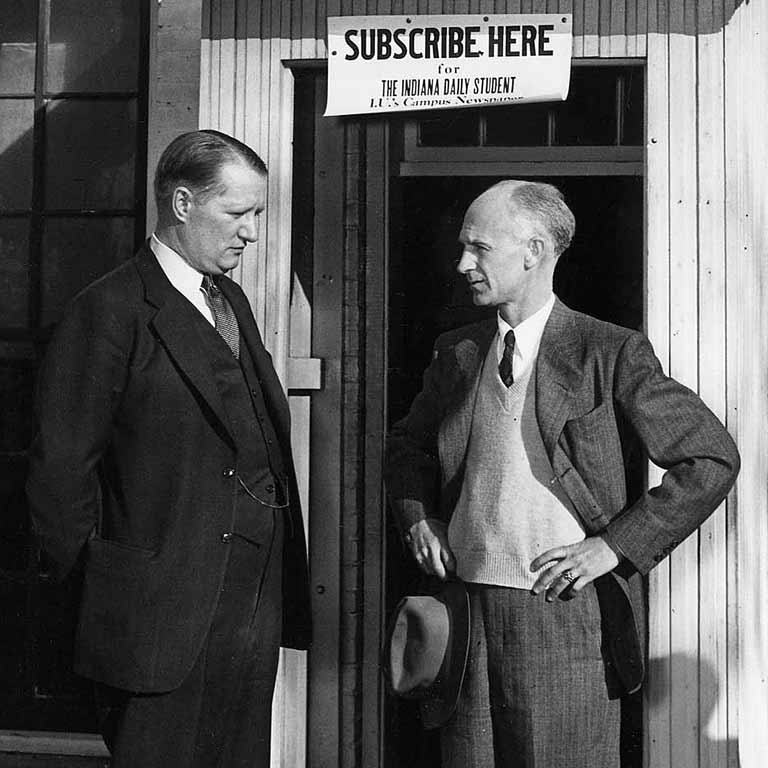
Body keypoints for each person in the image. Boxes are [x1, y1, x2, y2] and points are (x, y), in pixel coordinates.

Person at [385, 180, 740, 767]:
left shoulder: (608, 352)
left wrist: (613, 546)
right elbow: (406, 447)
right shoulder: (458, 354)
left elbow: (710, 458)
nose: (461, 263)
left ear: (533, 250)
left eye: (479, 248)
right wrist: (420, 518)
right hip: (464, 617)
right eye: (462, 247)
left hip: (564, 620)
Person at [26, 130, 311, 768]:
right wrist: (108, 605)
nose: (252, 233)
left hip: (249, 615)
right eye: (237, 213)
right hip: (153, 624)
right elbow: (59, 481)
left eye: (256, 214)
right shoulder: (107, 310)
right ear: (182, 204)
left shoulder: (229, 299)